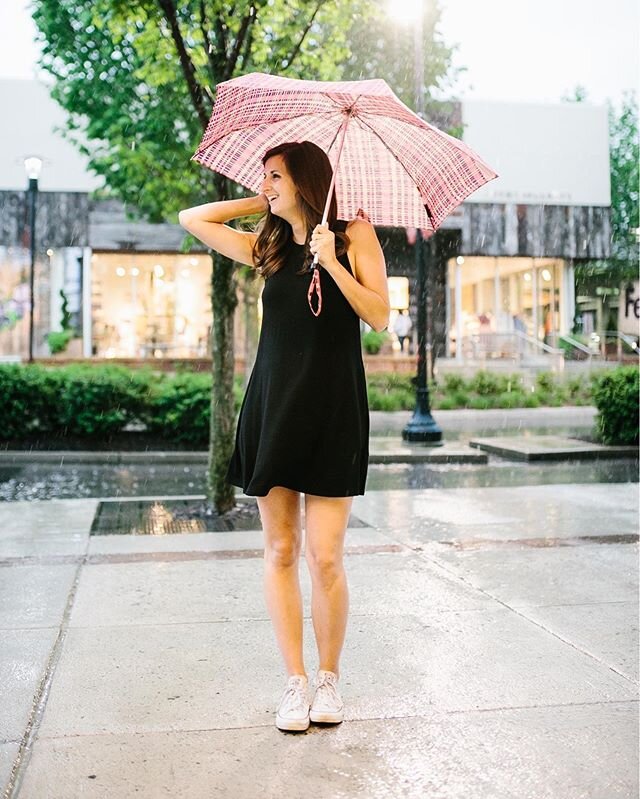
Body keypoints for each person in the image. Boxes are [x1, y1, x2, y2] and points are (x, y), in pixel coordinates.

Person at [179, 141, 390, 733]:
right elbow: (191, 219)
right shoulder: (267, 245)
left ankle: (328, 680)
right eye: (264, 175)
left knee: (325, 556)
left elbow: (379, 315)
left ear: (306, 177)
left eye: (275, 174)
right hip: (274, 405)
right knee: (279, 551)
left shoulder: (353, 234)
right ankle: (293, 683)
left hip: (332, 410)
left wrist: (333, 260)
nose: (266, 182)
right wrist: (270, 201)